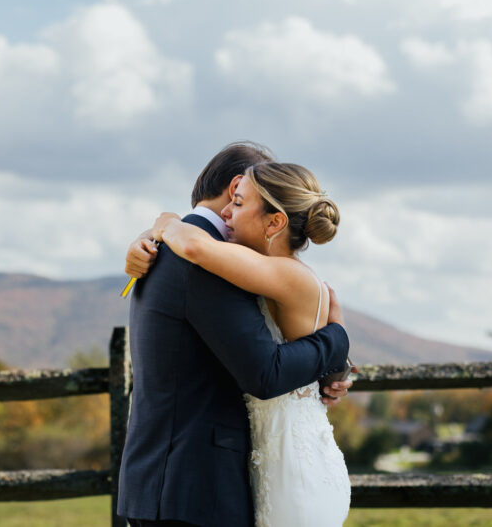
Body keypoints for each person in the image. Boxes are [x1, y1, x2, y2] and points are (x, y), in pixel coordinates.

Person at [117, 142, 353, 527]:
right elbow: (265, 371)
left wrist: (334, 366)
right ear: (234, 185)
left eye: (243, 205)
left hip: (177, 484)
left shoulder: (183, 248)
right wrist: (336, 343)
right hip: (193, 487)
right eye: (238, 199)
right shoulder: (197, 255)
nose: (231, 212)